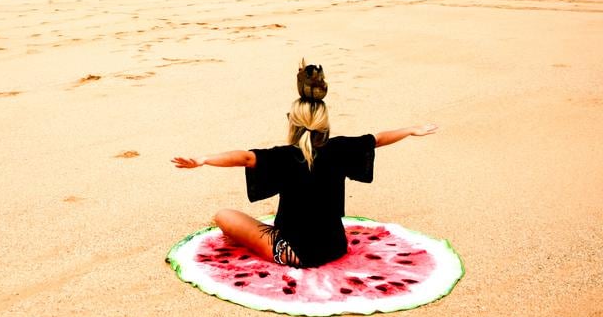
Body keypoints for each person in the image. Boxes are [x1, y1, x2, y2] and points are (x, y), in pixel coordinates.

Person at [171, 59, 438, 268]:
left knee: (224, 215)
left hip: (293, 253)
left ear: (292, 122)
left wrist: (204, 160)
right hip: (335, 246)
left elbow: (244, 157)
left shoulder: (283, 156)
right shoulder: (340, 148)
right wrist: (410, 129)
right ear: (325, 123)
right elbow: (377, 139)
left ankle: (267, 244)